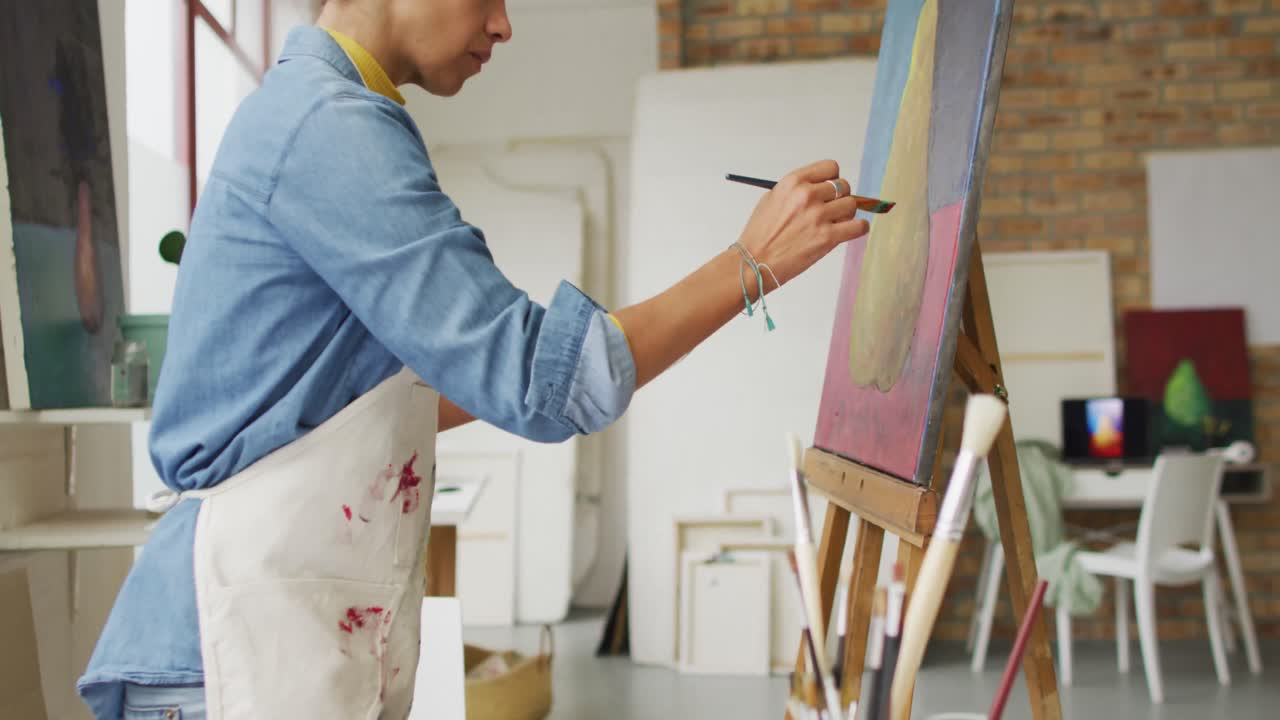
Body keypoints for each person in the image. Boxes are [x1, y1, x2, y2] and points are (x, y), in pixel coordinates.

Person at [78, 1, 870, 718]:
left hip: (260, 628)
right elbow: (545, 385)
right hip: (230, 644)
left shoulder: (325, 115)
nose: (503, 25)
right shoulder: (328, 123)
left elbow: (392, 394)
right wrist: (749, 265)